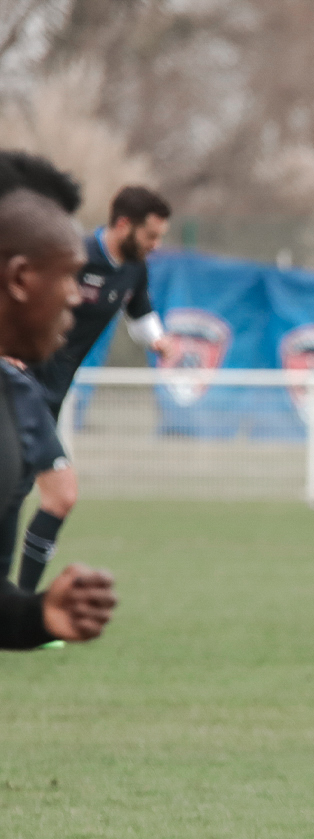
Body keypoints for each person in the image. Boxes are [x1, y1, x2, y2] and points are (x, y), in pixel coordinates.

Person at [0, 185, 170, 595]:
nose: (156, 245)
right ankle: (18, 609)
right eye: (151, 236)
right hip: (22, 387)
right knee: (51, 494)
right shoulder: (72, 255)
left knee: (32, 495)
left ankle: (17, 610)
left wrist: (161, 341)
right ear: (123, 224)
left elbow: (139, 311)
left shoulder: (134, 267)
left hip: (53, 395)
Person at [0, 150, 118, 648]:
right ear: (21, 278)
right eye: (69, 275)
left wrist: (37, 617)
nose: (77, 297)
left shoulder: (11, 401)